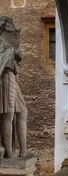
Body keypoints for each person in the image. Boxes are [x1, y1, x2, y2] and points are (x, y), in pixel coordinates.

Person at [0, 17, 30, 158]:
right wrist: (12, 50)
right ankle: (9, 151)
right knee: (8, 114)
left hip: (13, 75)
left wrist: (15, 49)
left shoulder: (9, 42)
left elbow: (19, 56)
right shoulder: (1, 42)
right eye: (10, 24)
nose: (13, 25)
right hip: (5, 76)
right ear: (3, 27)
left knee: (22, 112)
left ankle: (23, 150)